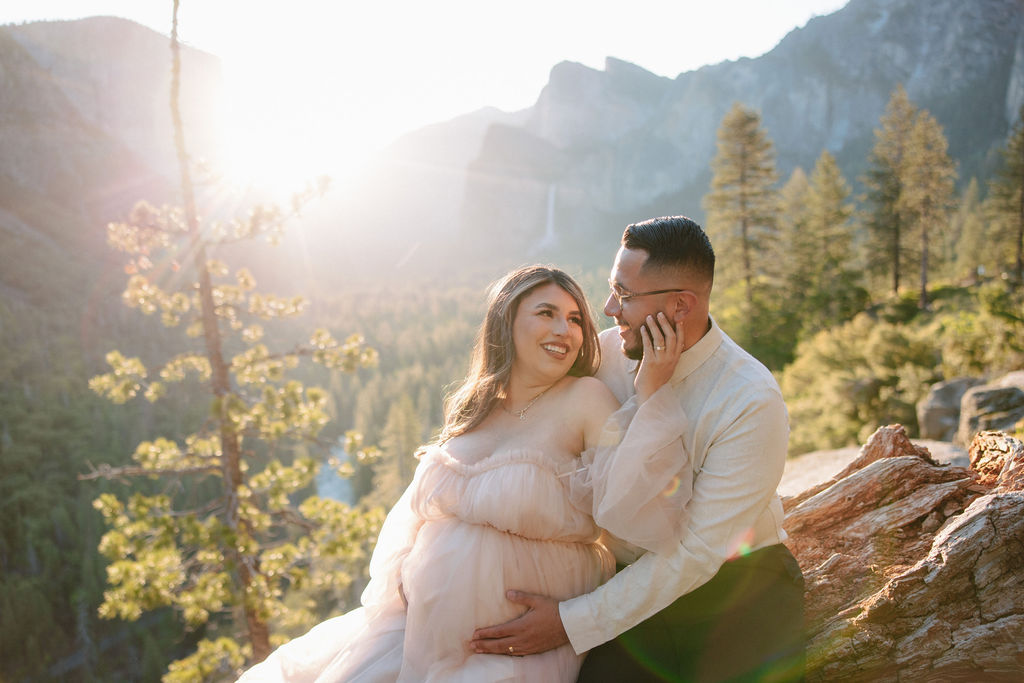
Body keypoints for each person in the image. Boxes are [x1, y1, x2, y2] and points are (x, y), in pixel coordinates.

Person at [238, 265, 693, 682]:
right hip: (415, 628)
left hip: (511, 644)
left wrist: (651, 388)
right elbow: (417, 514)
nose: (564, 330)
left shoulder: (585, 399)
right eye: (547, 313)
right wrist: (409, 579)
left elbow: (637, 514)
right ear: (507, 321)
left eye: (576, 319)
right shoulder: (476, 406)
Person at [470, 217, 806, 682]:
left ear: (681, 305)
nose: (608, 308)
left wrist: (570, 622)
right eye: (611, 289)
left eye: (625, 296)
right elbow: (530, 434)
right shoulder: (605, 355)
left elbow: (696, 552)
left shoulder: (749, 400)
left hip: (737, 592)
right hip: (626, 581)